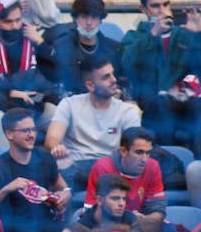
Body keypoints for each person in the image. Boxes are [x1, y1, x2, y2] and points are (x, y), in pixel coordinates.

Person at [119, 0, 201, 147]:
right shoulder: (135, 37)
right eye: (155, 6)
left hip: (188, 100)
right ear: (143, 9)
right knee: (162, 104)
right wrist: (153, 35)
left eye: (166, 4)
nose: (162, 10)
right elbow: (126, 64)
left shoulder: (185, 33)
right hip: (153, 102)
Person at [0, 107, 71, 232]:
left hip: (46, 227)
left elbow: (63, 186)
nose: (31, 135)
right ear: (9, 134)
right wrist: (8, 188)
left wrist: (65, 195)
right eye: (25, 131)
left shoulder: (43, 156)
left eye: (33, 130)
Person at [42, 61, 139, 190]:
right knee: (57, 166)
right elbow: (51, 139)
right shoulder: (69, 104)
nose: (114, 80)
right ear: (90, 85)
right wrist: (57, 148)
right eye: (106, 77)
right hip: (75, 166)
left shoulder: (127, 111)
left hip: (110, 168)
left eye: (112, 74)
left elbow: (134, 147)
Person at [0, 3, 55, 116]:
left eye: (18, 20)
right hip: (1, 101)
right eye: (8, 22)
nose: (15, 26)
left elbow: (57, 68)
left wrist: (41, 43)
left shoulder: (33, 38)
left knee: (54, 112)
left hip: (35, 99)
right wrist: (10, 92)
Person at [84, 126, 165, 231]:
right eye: (139, 152)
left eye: (148, 153)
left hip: (142, 224)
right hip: (107, 227)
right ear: (123, 151)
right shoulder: (103, 167)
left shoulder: (153, 166)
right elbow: (94, 215)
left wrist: (142, 222)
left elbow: (158, 209)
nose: (144, 159)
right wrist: (131, 221)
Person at [44, 0, 121, 95]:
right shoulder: (61, 46)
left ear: (100, 19)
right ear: (75, 18)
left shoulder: (113, 48)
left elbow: (121, 82)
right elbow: (55, 83)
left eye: (94, 17)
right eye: (84, 16)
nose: (89, 22)